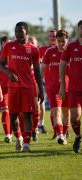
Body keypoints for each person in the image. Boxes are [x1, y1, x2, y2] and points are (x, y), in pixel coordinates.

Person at [0, 22, 44, 152]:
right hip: (13, 87)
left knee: (27, 114)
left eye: (21, 32)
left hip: (28, 87)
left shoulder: (34, 50)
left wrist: (41, 89)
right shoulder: (8, 46)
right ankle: (18, 138)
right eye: (16, 32)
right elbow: (1, 65)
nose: (18, 34)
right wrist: (9, 74)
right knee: (13, 116)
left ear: (27, 33)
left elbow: (37, 71)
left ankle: (26, 143)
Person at [41, 30, 70, 145]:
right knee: (56, 112)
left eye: (63, 41)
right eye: (59, 41)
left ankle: (64, 133)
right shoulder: (49, 52)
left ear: (67, 40)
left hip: (69, 87)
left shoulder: (71, 52)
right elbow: (42, 69)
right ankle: (60, 135)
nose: (61, 44)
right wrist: (39, 85)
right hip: (53, 87)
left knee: (66, 113)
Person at [59, 20, 82, 153]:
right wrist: (63, 85)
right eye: (81, 28)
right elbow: (62, 64)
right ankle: (78, 136)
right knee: (74, 117)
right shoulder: (71, 46)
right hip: (74, 88)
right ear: (78, 29)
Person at [0, 36, 13, 143]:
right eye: (6, 43)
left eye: (9, 43)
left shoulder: (14, 55)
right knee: (5, 111)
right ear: (1, 44)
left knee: (15, 112)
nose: (8, 45)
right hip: (2, 89)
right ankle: (8, 135)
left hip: (14, 87)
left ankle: (15, 134)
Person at [39, 29, 57, 136]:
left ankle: (64, 130)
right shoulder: (43, 50)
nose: (52, 38)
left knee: (66, 110)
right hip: (48, 83)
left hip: (64, 83)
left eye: (54, 36)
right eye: (50, 36)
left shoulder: (65, 49)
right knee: (53, 108)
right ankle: (57, 131)